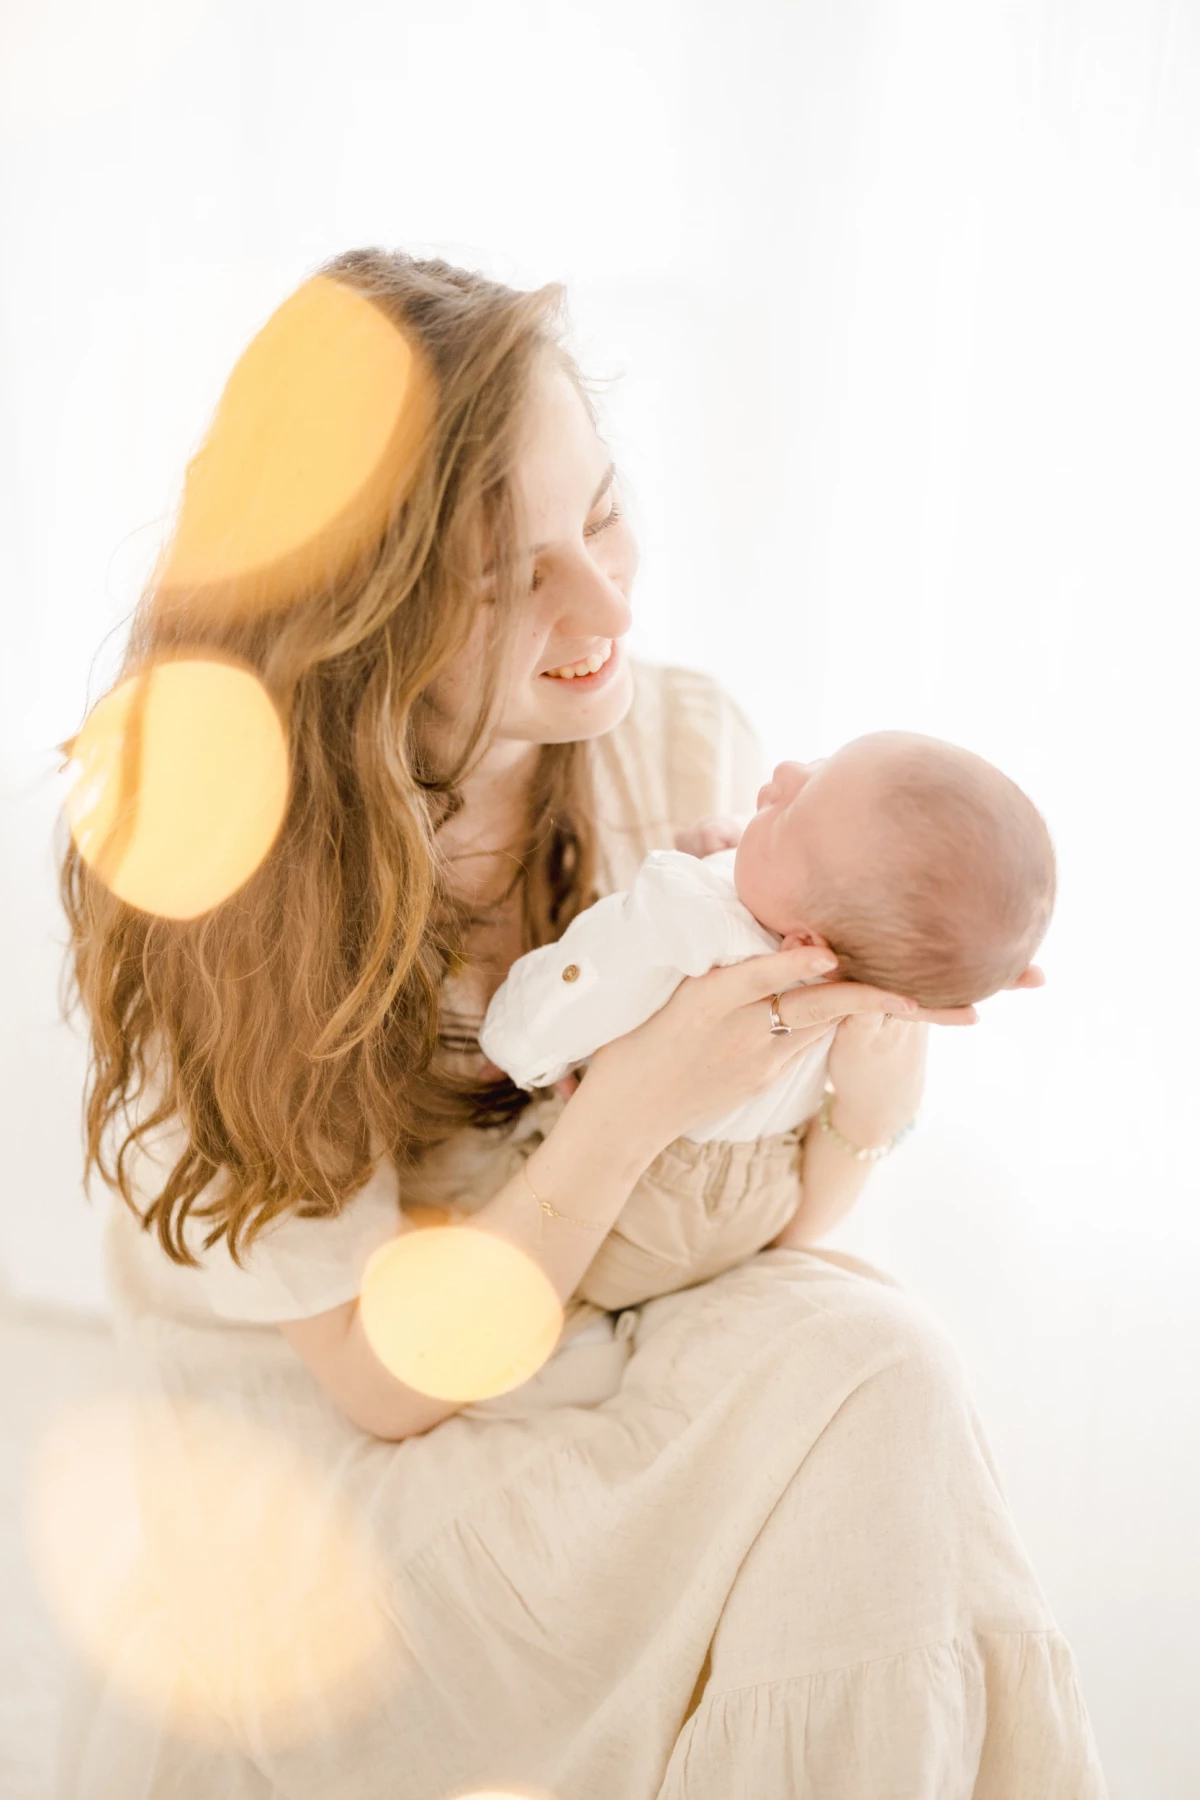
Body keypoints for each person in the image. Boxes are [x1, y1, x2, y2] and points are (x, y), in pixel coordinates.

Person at [59, 249, 1107, 1798]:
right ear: (352, 621)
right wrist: (628, 1101)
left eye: (604, 514)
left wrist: (865, 1080)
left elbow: (755, 1221)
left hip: (590, 1351)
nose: (606, 605)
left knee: (879, 1363)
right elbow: (380, 1387)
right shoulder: (216, 873)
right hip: (349, 1485)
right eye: (507, 581)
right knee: (865, 1396)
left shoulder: (679, 743)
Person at [479, 730, 1056, 1308]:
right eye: (822, 764)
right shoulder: (871, 974)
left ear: (805, 944)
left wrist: (513, 1044)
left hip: (634, 1210)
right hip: (766, 1205)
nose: (786, 770)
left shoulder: (689, 914)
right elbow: (827, 878)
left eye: (795, 809)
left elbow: (588, 983)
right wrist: (966, 968)